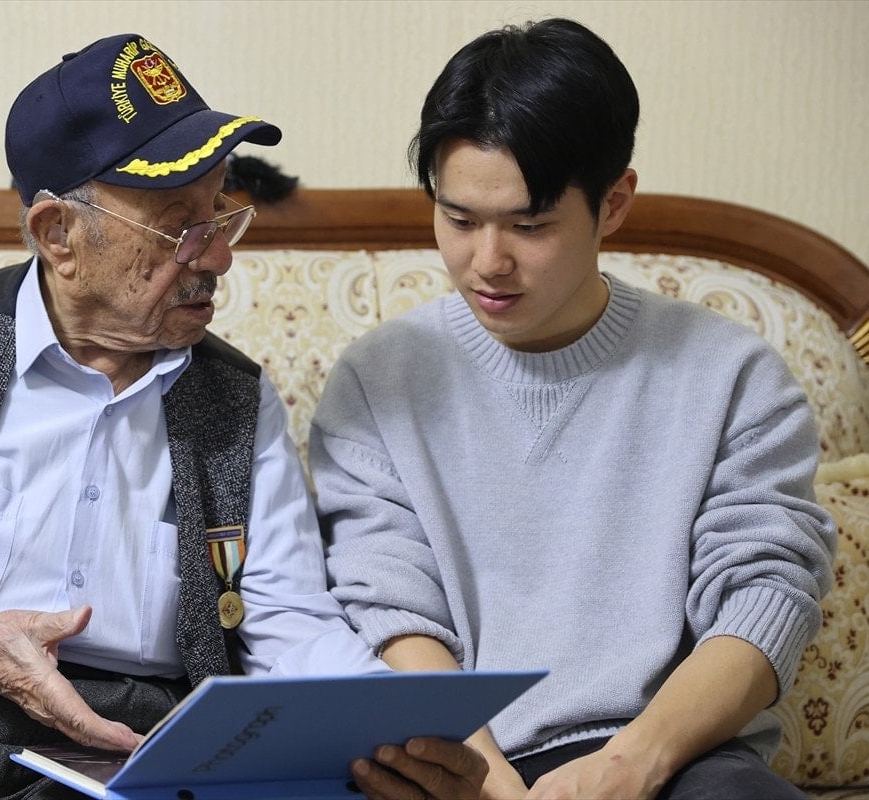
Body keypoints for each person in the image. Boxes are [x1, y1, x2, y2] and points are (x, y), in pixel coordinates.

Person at [0, 33, 487, 800]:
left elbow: (288, 626)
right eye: (180, 228)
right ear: (58, 234)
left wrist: (397, 727)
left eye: (220, 213)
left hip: (130, 741)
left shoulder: (238, 401)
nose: (218, 255)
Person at [310, 18, 836, 800]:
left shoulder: (731, 375)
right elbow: (388, 603)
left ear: (613, 203)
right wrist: (484, 779)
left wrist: (635, 763)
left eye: (530, 226)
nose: (488, 262)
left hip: (668, 758)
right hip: (452, 754)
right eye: (459, 220)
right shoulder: (378, 379)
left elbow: (765, 597)